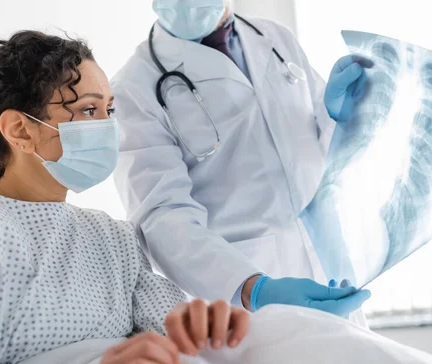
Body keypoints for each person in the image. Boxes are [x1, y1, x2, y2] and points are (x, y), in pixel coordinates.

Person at [0, 30, 260, 364]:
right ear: (20, 130)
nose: (107, 126)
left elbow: (174, 329)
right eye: (89, 110)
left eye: (110, 110)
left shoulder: (113, 237)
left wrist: (204, 327)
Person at [111, 0, 373, 318]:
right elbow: (161, 219)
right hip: (245, 295)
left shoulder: (276, 38)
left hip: (332, 261)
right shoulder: (134, 86)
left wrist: (336, 118)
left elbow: (324, 154)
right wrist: (254, 288)